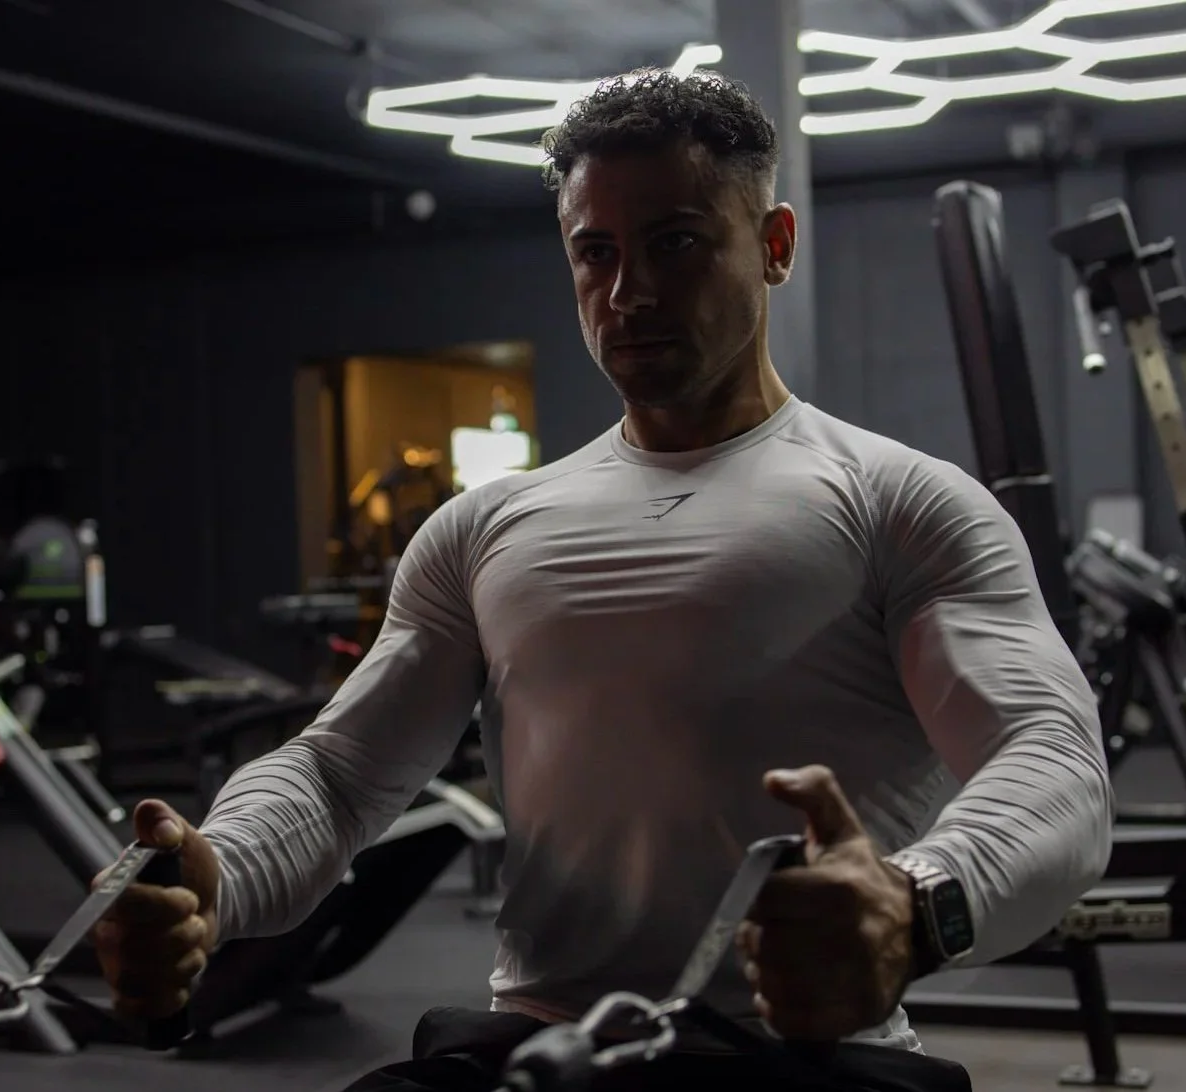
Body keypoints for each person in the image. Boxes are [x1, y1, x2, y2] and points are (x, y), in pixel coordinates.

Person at [94, 69, 1113, 1092]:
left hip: (803, 1057)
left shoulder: (900, 500)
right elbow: (340, 774)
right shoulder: (485, 527)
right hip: (541, 1051)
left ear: (774, 246)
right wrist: (212, 872)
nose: (628, 294)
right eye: (596, 252)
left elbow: (1053, 762)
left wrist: (917, 902)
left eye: (675, 241)